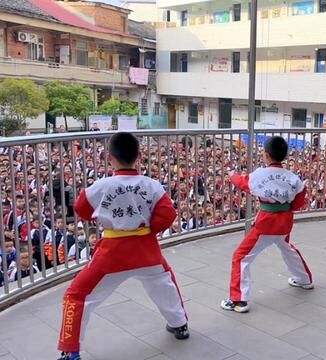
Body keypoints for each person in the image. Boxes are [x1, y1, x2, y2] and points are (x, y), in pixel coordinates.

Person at [56, 132, 189, 360]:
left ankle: (70, 351)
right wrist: (147, 230)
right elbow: (168, 214)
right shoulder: (153, 185)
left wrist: (108, 219)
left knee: (76, 295)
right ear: (139, 156)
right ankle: (180, 325)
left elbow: (81, 209)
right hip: (147, 250)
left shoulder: (101, 186)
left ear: (110, 158)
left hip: (112, 253)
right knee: (164, 283)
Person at [221, 136, 313, 313]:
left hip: (266, 222)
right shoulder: (294, 179)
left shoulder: (259, 175)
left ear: (266, 155)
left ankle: (238, 300)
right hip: (285, 221)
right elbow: (298, 203)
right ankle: (304, 279)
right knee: (288, 248)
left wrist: (232, 175)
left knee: (240, 257)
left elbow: (242, 182)